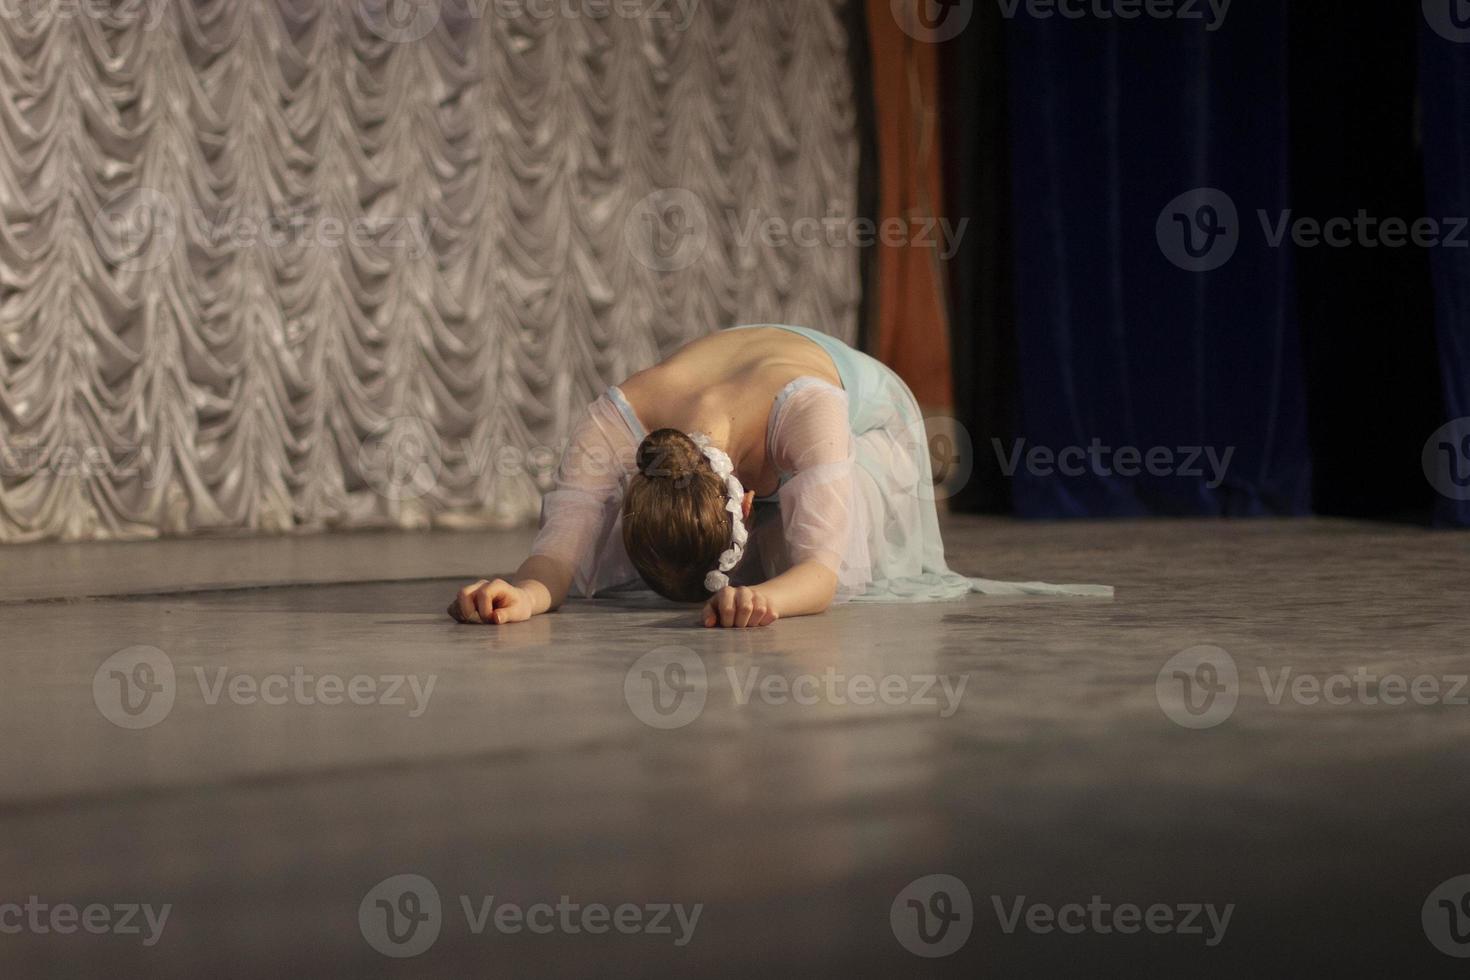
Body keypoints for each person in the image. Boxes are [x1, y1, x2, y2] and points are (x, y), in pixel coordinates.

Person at [449, 324, 1108, 629]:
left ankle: (757, 549)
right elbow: (558, 552)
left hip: (871, 420)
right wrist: (524, 596)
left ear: (751, 497)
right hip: (751, 420)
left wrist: (768, 599)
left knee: (792, 553)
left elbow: (821, 574)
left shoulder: (808, 410)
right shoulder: (616, 423)